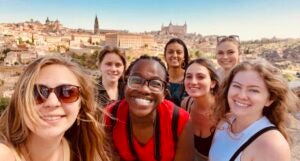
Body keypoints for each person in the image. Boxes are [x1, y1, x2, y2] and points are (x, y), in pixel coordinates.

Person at [0, 56, 113, 161]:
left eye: (67, 92)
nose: (52, 102)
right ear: (20, 103)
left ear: (80, 107)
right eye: (37, 93)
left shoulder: (82, 153)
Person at [105, 55, 194, 161]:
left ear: (164, 94)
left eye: (156, 84)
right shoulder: (110, 115)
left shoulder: (180, 121)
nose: (144, 89)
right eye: (136, 80)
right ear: (125, 84)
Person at [209, 59, 295, 161]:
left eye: (254, 90)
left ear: (270, 99)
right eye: (237, 86)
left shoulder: (273, 146)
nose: (241, 95)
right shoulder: (225, 122)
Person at [181, 58, 220, 161]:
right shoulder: (186, 104)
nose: (193, 82)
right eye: (188, 77)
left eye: (200, 77)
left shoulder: (224, 111)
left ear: (213, 83)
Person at [164, 38, 190, 106]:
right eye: (170, 52)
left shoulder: (191, 78)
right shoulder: (160, 77)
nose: (175, 55)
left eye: (179, 52)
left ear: (184, 56)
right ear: (165, 56)